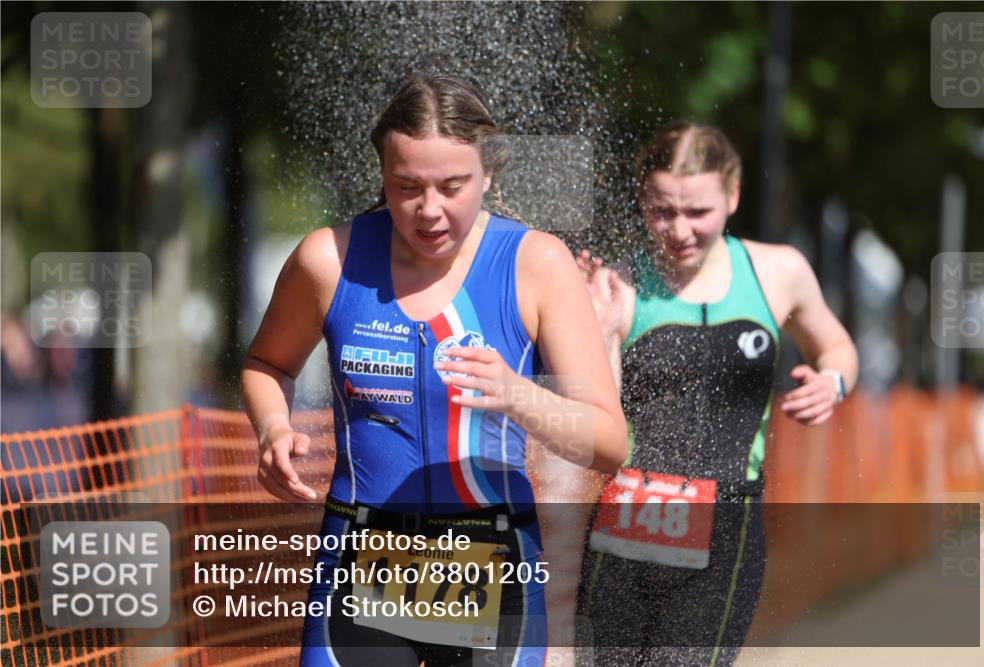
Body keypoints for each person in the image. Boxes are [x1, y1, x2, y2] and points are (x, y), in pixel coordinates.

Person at [241, 73, 627, 667]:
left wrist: (518, 395)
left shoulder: (537, 264)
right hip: (361, 554)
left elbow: (609, 443)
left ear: (489, 174)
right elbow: (267, 363)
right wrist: (272, 427)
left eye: (452, 186)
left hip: (491, 558)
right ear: (383, 175)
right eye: (406, 186)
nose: (429, 211)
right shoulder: (328, 259)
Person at [575, 121, 859, 666]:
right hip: (625, 518)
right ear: (643, 201)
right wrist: (601, 327)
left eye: (697, 212)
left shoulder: (778, 272)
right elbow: (596, 417)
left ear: (733, 195)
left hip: (727, 522)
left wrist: (833, 382)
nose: (679, 230)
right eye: (662, 211)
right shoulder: (617, 285)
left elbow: (837, 347)